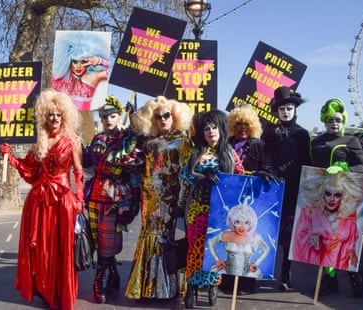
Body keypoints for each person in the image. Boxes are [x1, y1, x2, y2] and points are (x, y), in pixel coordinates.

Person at [0, 89, 83, 310]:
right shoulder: (39, 141)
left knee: (62, 248)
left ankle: (61, 292)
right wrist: (10, 157)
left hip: (64, 201)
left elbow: (78, 171)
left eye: (58, 114)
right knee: (41, 248)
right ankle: (45, 289)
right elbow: (29, 170)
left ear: (64, 116)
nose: (54, 118)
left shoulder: (73, 140)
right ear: (44, 116)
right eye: (50, 114)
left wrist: (79, 199)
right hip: (38, 201)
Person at [124, 96, 193, 300]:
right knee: (148, 237)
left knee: (162, 240)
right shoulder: (151, 142)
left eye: (167, 115)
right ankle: (147, 287)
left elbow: (186, 175)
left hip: (168, 200)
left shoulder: (182, 141)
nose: (163, 119)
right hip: (149, 197)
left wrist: (180, 203)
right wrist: (131, 116)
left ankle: (164, 288)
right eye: (158, 116)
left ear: (174, 117)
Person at [181, 110, 244, 309]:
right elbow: (185, 175)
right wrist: (202, 178)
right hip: (198, 208)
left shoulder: (230, 153)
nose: (210, 131)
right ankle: (191, 287)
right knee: (196, 249)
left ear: (220, 129)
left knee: (216, 250)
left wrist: (260, 175)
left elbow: (241, 176)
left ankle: (212, 286)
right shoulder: (196, 153)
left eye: (214, 127)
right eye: (206, 128)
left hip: (221, 212)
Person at [82, 95, 142, 304]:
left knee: (108, 240)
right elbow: (89, 163)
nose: (108, 119)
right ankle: (113, 273)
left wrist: (135, 199)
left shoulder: (127, 139)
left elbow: (135, 171)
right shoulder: (97, 139)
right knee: (97, 239)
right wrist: (79, 149)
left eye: (113, 116)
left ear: (118, 117)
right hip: (94, 195)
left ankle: (99, 280)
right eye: (105, 116)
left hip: (116, 196)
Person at [310, 98, 363, 297]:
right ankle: (329, 279)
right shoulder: (316, 142)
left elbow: (362, 168)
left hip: (345, 198)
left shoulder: (351, 141)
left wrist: (342, 168)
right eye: (329, 120)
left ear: (343, 120)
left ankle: (355, 276)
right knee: (325, 237)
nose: (333, 123)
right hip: (322, 197)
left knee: (346, 239)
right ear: (324, 121)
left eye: (337, 119)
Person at [261, 86, 312, 291]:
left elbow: (306, 161)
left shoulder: (302, 134)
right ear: (277, 111)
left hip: (292, 188)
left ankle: (285, 271)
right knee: (269, 229)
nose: (286, 112)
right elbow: (264, 156)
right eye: (282, 109)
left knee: (289, 234)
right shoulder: (270, 132)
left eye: (289, 108)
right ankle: (263, 267)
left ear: (294, 109)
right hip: (272, 187)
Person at [224, 104, 277, 294]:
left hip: (250, 199)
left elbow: (268, 168)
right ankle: (228, 280)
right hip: (228, 198)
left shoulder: (259, 145)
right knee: (230, 239)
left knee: (247, 240)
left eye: (246, 124)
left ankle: (246, 282)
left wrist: (262, 173)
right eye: (238, 124)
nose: (242, 128)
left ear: (253, 125)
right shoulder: (225, 144)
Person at [291, 169, 363, 270]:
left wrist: (351, 250)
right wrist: (314, 238)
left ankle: (332, 281)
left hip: (338, 262)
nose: (332, 199)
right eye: (328, 193)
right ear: (322, 194)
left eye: (337, 195)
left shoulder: (348, 219)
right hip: (317, 259)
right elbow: (300, 238)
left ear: (343, 197)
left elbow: (350, 242)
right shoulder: (309, 213)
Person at [208, 197, 270, 279]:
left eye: (246, 223)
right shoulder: (227, 234)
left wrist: (256, 263)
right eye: (237, 222)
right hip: (226, 273)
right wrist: (217, 259)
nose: (242, 226)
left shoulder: (255, 237)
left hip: (247, 275)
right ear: (232, 223)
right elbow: (211, 242)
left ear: (251, 224)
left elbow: (266, 249)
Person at [51, 31, 109, 110]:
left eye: (83, 61)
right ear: (69, 61)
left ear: (88, 62)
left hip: (84, 119)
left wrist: (99, 60)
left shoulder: (92, 77)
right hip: (62, 119)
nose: (79, 66)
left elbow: (112, 73)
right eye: (75, 61)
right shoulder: (59, 77)